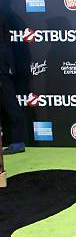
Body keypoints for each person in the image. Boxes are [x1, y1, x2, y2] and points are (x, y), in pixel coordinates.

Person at [0, 11, 26, 155]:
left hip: (2, 72)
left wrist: (5, 68)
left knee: (11, 106)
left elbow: (3, 45)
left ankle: (18, 142)